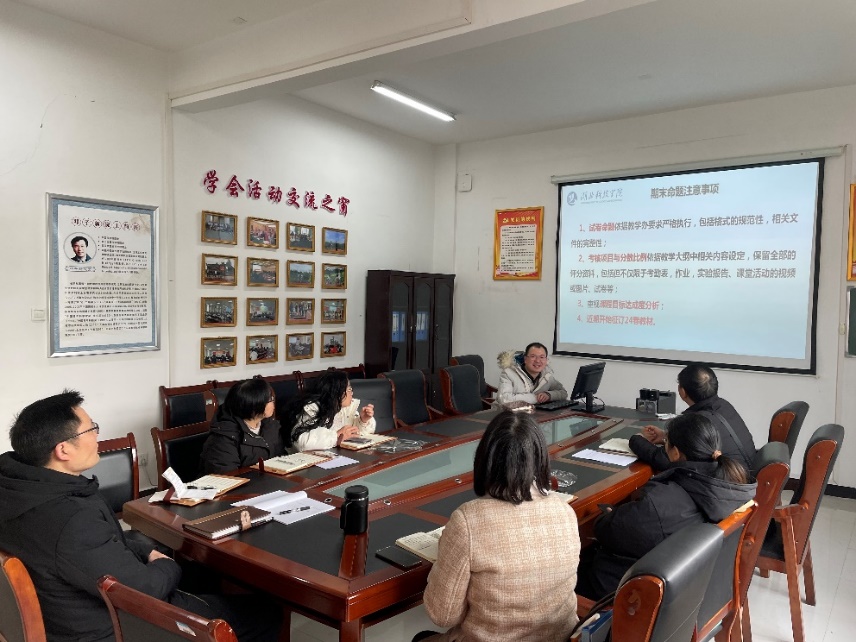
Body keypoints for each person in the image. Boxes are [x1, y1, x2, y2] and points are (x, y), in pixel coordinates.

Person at [0, 390, 281, 642]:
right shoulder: (69, 518)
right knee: (266, 613)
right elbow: (145, 589)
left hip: (62, 612)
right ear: (63, 450)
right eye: (91, 429)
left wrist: (146, 552)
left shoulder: (19, 489)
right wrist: (166, 563)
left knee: (199, 574)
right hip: (112, 627)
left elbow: (102, 543)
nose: (97, 435)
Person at [415, 410, 580, 642]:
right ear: (540, 459)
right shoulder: (564, 511)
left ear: (485, 458)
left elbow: (443, 615)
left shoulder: (467, 521)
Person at [576, 413, 756, 601]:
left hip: (632, 598)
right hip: (694, 593)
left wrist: (609, 515)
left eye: (666, 442)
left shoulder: (659, 504)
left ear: (675, 453)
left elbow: (605, 531)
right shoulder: (735, 487)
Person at [634, 363, 757, 473]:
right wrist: (666, 437)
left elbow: (663, 460)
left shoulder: (695, 422)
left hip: (728, 484)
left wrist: (637, 439)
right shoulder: (724, 405)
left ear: (682, 392)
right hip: (747, 475)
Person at [200, 378, 285, 473]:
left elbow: (281, 458)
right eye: (270, 399)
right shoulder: (223, 438)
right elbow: (227, 476)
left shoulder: (270, 425)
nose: (273, 402)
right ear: (255, 404)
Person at [285, 370, 375, 451]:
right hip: (308, 460)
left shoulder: (346, 408)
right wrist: (337, 436)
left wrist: (363, 421)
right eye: (348, 389)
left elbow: (355, 434)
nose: (351, 393)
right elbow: (302, 442)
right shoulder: (312, 408)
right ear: (335, 393)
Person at [496, 342, 568, 404]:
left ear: (546, 360)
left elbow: (563, 393)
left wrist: (548, 395)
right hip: (507, 414)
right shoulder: (508, 373)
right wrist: (535, 398)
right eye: (533, 356)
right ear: (525, 359)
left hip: (534, 413)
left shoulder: (547, 376)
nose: (537, 361)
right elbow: (503, 399)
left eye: (542, 357)